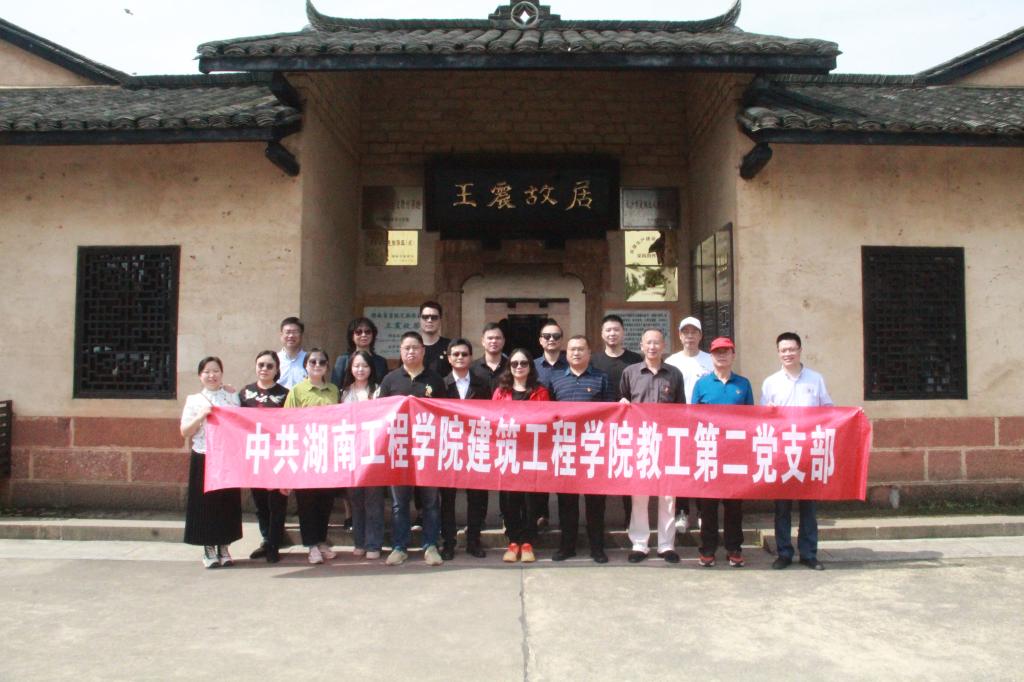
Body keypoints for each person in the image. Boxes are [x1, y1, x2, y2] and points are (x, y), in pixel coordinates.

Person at [761, 332, 833, 571]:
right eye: (783, 350)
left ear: (800, 350)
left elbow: (828, 410)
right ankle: (784, 553)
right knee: (781, 507)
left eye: (792, 349)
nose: (788, 354)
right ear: (778, 353)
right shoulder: (771, 382)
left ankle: (809, 554)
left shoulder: (816, 379)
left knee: (808, 507)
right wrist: (768, 412)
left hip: (809, 451)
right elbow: (763, 419)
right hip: (783, 453)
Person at [377, 331, 447, 567]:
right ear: (400, 351)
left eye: (415, 348)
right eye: (406, 348)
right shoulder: (390, 380)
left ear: (423, 351)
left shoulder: (435, 380)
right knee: (399, 503)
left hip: (428, 450)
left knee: (431, 502)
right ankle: (400, 546)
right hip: (399, 451)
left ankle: (430, 545)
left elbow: (445, 413)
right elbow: (380, 414)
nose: (411, 352)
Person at [619, 328, 686, 564]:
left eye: (657, 343)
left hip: (667, 441)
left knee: (668, 495)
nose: (652, 347)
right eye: (648, 343)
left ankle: (666, 545)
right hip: (640, 441)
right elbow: (623, 402)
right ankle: (640, 544)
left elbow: (681, 409)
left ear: (663, 346)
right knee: (640, 495)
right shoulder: (630, 373)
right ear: (641, 345)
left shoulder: (674, 374)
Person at [548, 335, 615, 563]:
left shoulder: (601, 378)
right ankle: (567, 546)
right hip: (565, 448)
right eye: (572, 349)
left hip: (593, 449)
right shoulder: (556, 379)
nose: (576, 353)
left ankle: (597, 548)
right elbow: (547, 414)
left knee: (595, 503)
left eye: (580, 349)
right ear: (566, 353)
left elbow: (612, 412)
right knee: (567, 502)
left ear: (589, 353)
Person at [691, 336, 755, 568]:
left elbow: (751, 419)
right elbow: (692, 419)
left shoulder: (743, 384)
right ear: (711, 356)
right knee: (708, 506)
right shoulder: (702, 384)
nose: (722, 356)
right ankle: (707, 549)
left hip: (735, 454)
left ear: (733, 356)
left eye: (726, 351)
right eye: (717, 352)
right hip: (709, 452)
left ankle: (734, 549)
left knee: (734, 505)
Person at [180, 356, 242, 569]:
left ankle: (224, 546)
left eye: (215, 371)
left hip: (227, 457)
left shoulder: (231, 396)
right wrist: (201, 416)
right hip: (204, 455)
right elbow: (185, 431)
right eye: (207, 371)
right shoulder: (193, 400)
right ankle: (208, 549)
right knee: (205, 503)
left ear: (222, 374)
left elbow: (240, 422)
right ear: (200, 375)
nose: (211, 375)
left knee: (226, 502)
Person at [492, 348, 550, 563]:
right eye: (514, 363)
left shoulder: (540, 391)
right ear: (509, 367)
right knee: (509, 499)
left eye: (523, 363)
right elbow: (493, 419)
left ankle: (527, 542)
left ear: (530, 366)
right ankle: (513, 541)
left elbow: (546, 420)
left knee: (530, 500)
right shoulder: (501, 391)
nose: (519, 367)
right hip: (508, 453)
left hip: (532, 453)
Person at [284, 348, 341, 565]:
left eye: (322, 362)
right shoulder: (297, 391)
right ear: (306, 365)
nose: (317, 365)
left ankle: (321, 540)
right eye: (313, 362)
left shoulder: (333, 390)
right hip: (305, 454)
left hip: (328, 454)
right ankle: (311, 544)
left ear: (327, 366)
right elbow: (288, 421)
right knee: (307, 502)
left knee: (325, 501)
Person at [439, 338, 492, 560]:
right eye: (456, 354)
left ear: (471, 357)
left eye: (464, 354)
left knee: (477, 497)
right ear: (449, 358)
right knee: (447, 498)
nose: (460, 358)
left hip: (475, 445)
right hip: (449, 446)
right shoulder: (440, 384)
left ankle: (474, 541)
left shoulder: (483, 384)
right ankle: (449, 543)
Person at [589, 313, 642, 529]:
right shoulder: (594, 361)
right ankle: (596, 525)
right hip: (600, 427)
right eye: (608, 330)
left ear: (623, 333)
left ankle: (631, 521)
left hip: (629, 426)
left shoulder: (635, 360)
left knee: (628, 473)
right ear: (602, 334)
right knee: (598, 475)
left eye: (616, 330)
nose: (612, 333)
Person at [238, 350, 289, 564]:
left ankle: (275, 544)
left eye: (269, 366)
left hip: (277, 456)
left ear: (277, 369)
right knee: (260, 503)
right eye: (261, 365)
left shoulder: (285, 394)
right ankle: (266, 540)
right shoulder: (244, 393)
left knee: (277, 502)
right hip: (255, 455)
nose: (264, 369)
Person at [665, 316, 713, 531]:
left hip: (705, 424)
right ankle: (681, 512)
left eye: (694, 332)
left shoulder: (710, 360)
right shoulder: (672, 361)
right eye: (686, 332)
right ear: (679, 335)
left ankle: (703, 511)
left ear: (700, 335)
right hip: (678, 422)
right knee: (681, 467)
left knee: (702, 465)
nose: (690, 336)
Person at [340, 350, 386, 561]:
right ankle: (359, 542)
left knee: (373, 499)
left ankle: (374, 543)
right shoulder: (344, 392)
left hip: (373, 451)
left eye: (365, 366)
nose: (360, 369)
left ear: (371, 369)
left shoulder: (378, 390)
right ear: (350, 368)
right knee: (356, 499)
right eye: (356, 366)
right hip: (350, 451)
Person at [531, 318, 567, 529]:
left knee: (563, 474)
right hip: (539, 429)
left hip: (565, 429)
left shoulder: (570, 364)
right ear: (540, 340)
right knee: (540, 473)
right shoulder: (532, 366)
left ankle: (565, 521)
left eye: (556, 336)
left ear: (561, 340)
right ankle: (541, 515)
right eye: (547, 336)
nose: (551, 339)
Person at [331, 317, 389, 388]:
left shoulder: (381, 362)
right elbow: (335, 387)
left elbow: (384, 387)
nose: (363, 335)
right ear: (352, 336)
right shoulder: (343, 360)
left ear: (373, 335)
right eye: (358, 332)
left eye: (368, 332)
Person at [469, 322, 508, 392]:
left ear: (503, 341)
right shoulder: (472, 368)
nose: (494, 341)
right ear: (483, 341)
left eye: (498, 338)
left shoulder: (511, 367)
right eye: (490, 338)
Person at [418, 300, 452, 378]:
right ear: (419, 319)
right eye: (425, 317)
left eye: (434, 317)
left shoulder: (450, 346)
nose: (429, 320)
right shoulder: (411, 346)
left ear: (440, 320)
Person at [277, 316, 308, 389]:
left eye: (295, 332)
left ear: (302, 335)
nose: (291, 336)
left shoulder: (310, 359)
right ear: (281, 335)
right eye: (287, 332)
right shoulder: (274, 359)